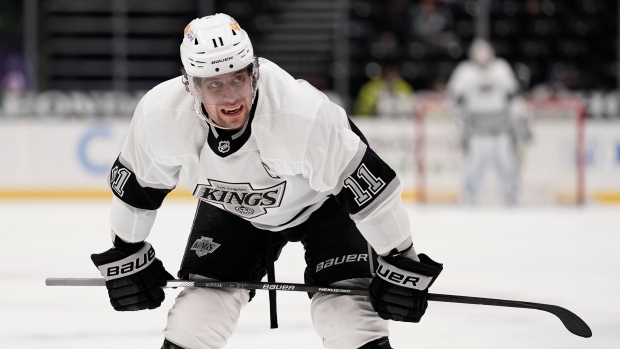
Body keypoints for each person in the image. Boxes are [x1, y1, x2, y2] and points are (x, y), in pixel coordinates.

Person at [91, 14, 442, 349]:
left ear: (254, 73)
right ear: (191, 85)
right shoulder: (160, 115)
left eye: (238, 79)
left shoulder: (299, 114)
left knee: (347, 319)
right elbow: (137, 190)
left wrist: (401, 264)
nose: (230, 97)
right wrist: (127, 252)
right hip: (236, 209)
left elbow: (371, 191)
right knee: (195, 319)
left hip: (325, 206)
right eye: (215, 84)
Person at [446, 38, 530, 205]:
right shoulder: (464, 72)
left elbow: (513, 96)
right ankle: (470, 197)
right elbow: (453, 97)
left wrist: (520, 118)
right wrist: (458, 121)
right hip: (477, 130)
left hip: (501, 129)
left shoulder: (501, 68)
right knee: (474, 165)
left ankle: (511, 196)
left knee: (506, 163)